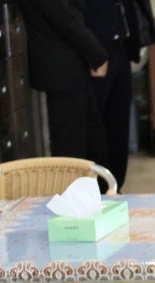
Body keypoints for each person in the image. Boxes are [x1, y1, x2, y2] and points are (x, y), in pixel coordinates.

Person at [19, 0, 109, 172]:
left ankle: (100, 193)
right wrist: (97, 55)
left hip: (68, 68)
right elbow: (67, 20)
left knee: (93, 142)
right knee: (71, 150)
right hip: (62, 70)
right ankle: (75, 196)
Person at [85, 0, 150, 190]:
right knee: (98, 126)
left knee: (119, 122)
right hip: (96, 51)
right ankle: (100, 188)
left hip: (121, 45)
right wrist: (92, 53)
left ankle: (116, 186)